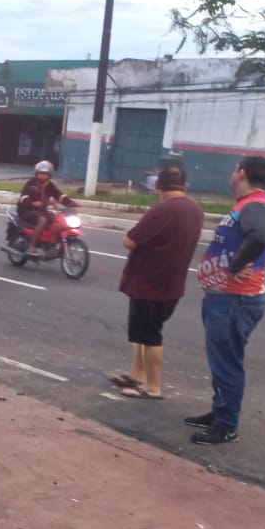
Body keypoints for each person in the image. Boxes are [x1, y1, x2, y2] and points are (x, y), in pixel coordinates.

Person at [186, 157, 265, 444]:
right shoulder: (252, 204)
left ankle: (226, 426)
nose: (232, 173)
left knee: (227, 363)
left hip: (234, 300)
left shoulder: (254, 205)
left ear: (241, 172)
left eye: (234, 169)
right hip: (226, 298)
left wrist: (236, 265)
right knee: (221, 360)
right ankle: (220, 412)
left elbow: (260, 237)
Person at [109, 165, 204, 400]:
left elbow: (129, 241)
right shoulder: (195, 208)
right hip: (172, 282)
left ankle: (152, 387)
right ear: (186, 186)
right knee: (142, 332)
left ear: (158, 186)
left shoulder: (162, 211)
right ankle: (137, 373)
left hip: (150, 282)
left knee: (151, 335)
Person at [17, 160, 75, 256]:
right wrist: (32, 203)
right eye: (40, 173)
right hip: (26, 210)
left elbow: (59, 195)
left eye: (45, 174)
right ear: (36, 173)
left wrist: (71, 203)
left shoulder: (49, 185)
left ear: (49, 175)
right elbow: (24, 197)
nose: (42, 176)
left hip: (41, 211)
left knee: (58, 220)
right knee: (43, 220)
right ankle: (32, 246)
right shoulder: (31, 183)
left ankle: (50, 244)